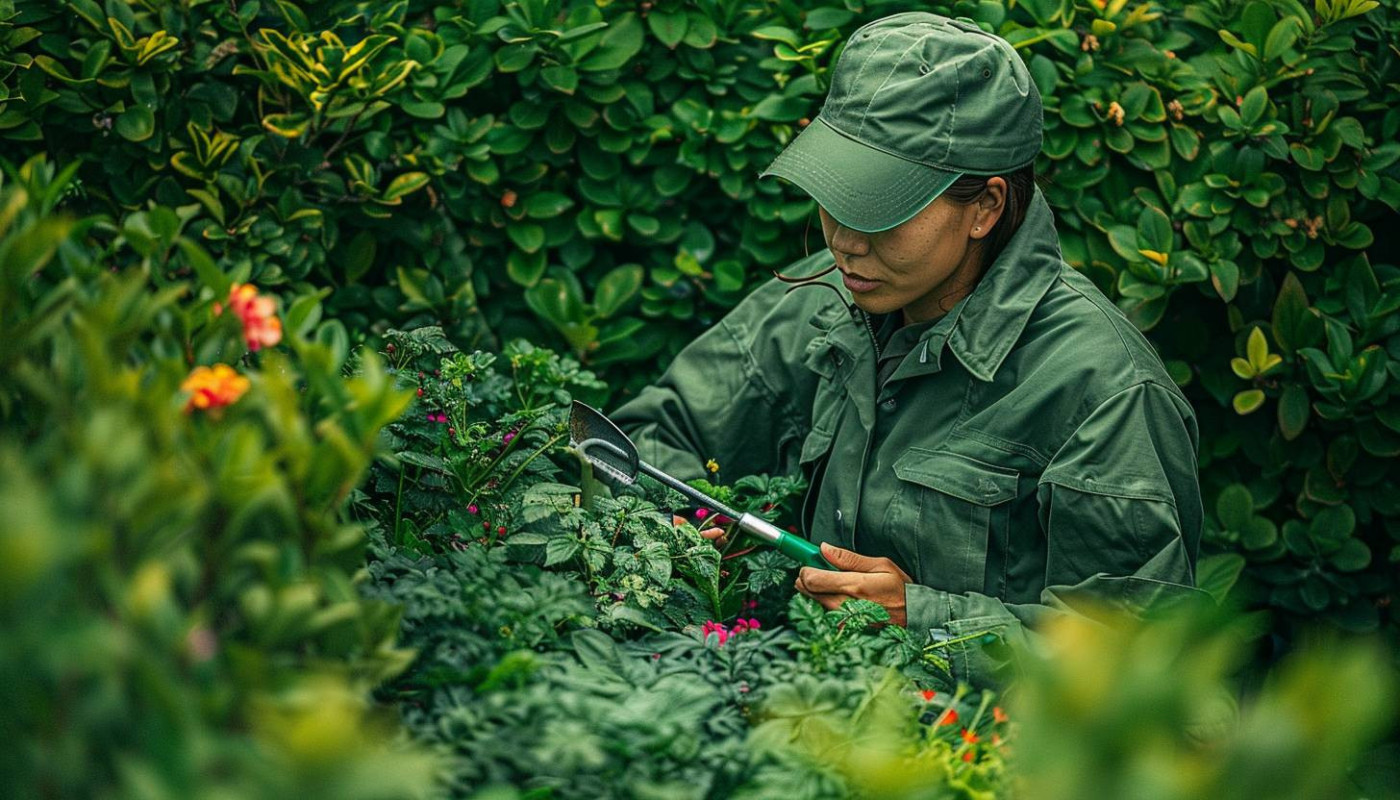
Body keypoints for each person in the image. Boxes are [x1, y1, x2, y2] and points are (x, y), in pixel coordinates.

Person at [610, 11, 1206, 687]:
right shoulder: (828, 299)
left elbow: (1137, 668)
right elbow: (655, 435)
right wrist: (683, 525)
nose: (845, 241)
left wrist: (921, 619)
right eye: (836, 195)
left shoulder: (1104, 390)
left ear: (985, 207)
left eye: (881, 209)